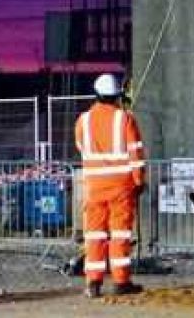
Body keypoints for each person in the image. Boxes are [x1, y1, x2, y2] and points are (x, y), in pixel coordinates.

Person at [74, 73, 145, 298]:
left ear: (96, 95)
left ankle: (92, 284)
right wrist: (139, 180)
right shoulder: (125, 118)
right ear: (117, 95)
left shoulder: (83, 120)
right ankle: (121, 281)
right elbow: (136, 153)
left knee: (94, 235)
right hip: (121, 187)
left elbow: (80, 146)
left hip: (94, 186)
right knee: (120, 235)